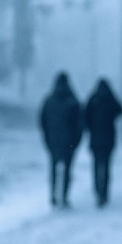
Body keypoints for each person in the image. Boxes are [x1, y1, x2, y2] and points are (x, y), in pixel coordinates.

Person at [39, 71, 83, 208]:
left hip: (53, 141)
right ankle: (64, 197)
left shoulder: (49, 100)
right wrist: (76, 141)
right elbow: (80, 124)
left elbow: (42, 121)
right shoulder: (73, 101)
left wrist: (47, 138)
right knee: (67, 171)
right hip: (69, 142)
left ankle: (53, 195)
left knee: (53, 169)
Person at [83, 77, 122, 207]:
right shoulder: (111, 99)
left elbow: (84, 116)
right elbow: (121, 110)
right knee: (106, 167)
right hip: (109, 139)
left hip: (95, 139)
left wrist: (90, 128)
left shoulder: (93, 99)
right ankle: (104, 193)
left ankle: (97, 190)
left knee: (95, 166)